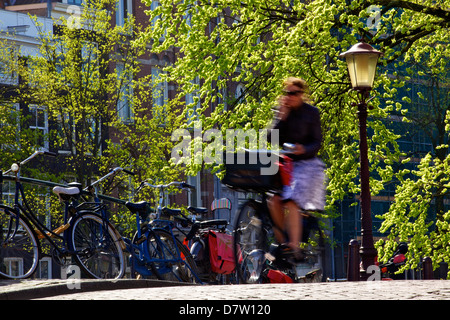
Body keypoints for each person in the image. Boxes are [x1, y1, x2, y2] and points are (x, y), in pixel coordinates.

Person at [267, 77, 326, 259]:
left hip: (308, 164)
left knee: (292, 200)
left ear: (302, 94)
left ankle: (295, 245)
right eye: (287, 93)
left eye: (294, 93)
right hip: (288, 164)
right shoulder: (285, 113)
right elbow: (271, 139)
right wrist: (280, 117)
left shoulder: (311, 113)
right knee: (273, 200)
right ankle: (283, 242)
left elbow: (317, 142)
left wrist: (303, 149)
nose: (290, 96)